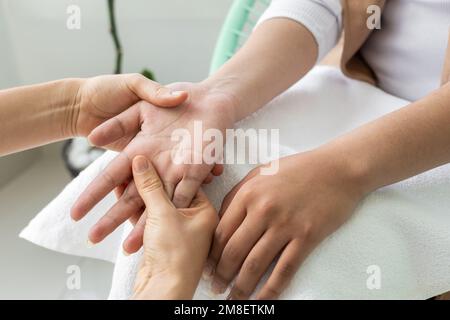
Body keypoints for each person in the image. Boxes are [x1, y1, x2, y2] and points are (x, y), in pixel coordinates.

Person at [72, 0, 450, 300]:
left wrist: (341, 170)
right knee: (190, 174)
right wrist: (217, 97)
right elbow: (319, 5)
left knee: (309, 248)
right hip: (354, 87)